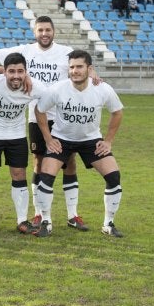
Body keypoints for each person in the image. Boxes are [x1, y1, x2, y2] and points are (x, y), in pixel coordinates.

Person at [0, 16, 92, 232]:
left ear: (53, 31)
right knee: (38, 161)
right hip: (37, 116)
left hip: (63, 115)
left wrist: (95, 74)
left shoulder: (65, 52)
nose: (44, 33)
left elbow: (82, 66)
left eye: (47, 30)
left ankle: (73, 214)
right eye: (40, 30)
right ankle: (38, 213)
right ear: (34, 32)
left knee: (69, 161)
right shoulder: (25, 51)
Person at [33, 50, 124, 238]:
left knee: (114, 177)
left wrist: (108, 141)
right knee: (46, 177)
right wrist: (49, 139)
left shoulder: (103, 89)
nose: (75, 71)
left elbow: (117, 112)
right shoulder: (58, 89)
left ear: (89, 69)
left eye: (79, 67)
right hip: (62, 140)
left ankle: (108, 224)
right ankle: (46, 222)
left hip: (90, 141)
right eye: (72, 67)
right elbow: (39, 110)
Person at [0, 53, 47, 235]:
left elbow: (52, 97)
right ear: (4, 72)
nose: (16, 75)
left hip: (16, 135)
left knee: (19, 175)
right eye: (12, 71)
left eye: (20, 71)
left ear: (26, 72)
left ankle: (22, 220)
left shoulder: (35, 87)